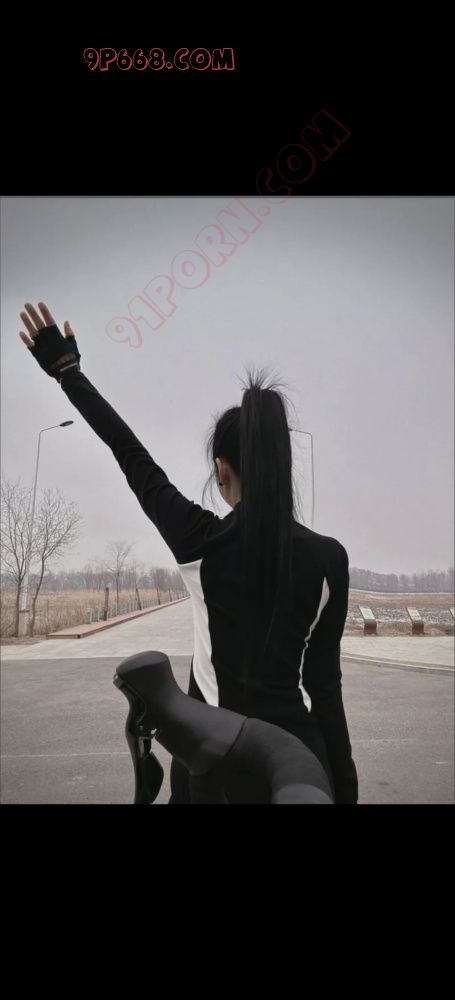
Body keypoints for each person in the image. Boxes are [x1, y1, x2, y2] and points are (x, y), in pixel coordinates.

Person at [18, 301, 359, 804]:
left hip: (213, 767)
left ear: (222, 469)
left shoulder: (199, 542)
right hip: (301, 764)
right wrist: (344, 788)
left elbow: (129, 453)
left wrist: (68, 374)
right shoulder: (330, 560)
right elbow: (325, 688)